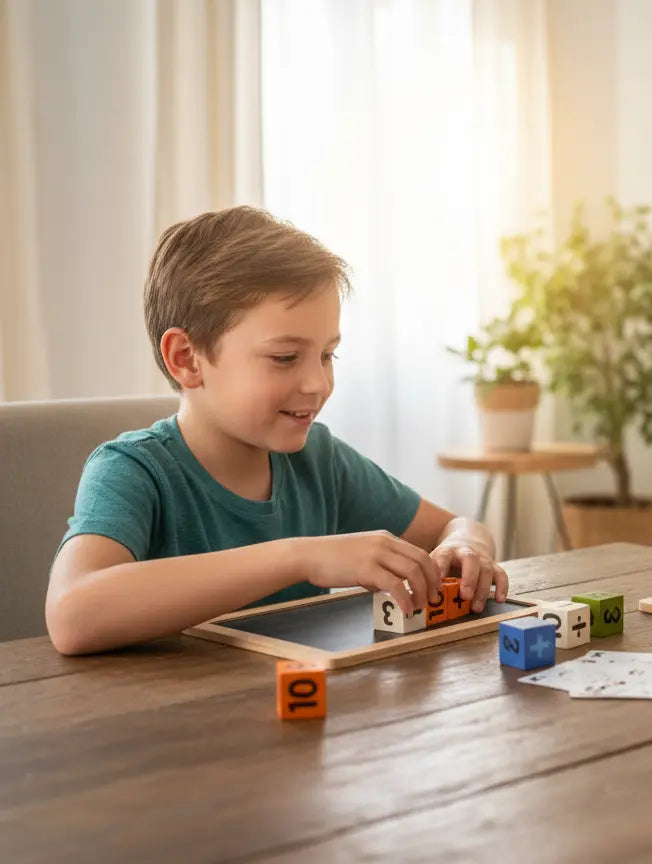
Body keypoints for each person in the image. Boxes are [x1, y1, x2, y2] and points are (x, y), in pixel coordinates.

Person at [46, 206, 508, 655]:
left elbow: (454, 524)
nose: (319, 383)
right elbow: (72, 615)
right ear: (186, 358)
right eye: (285, 357)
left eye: (328, 355)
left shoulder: (319, 461)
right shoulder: (132, 471)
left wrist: (465, 545)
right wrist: (300, 557)